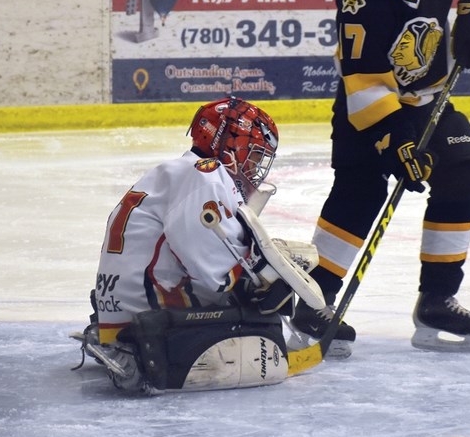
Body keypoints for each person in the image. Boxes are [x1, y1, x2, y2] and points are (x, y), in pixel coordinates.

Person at [293, 0, 470, 353]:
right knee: (360, 191)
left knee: (463, 172)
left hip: (428, 99)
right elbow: (363, 82)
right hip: (368, 105)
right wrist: (396, 141)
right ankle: (312, 302)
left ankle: (437, 299)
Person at [75, 96, 333, 394]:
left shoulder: (183, 171)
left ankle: (116, 336)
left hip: (123, 308)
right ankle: (135, 349)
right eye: (253, 156)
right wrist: (260, 283)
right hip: (147, 316)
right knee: (261, 322)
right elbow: (215, 271)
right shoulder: (205, 176)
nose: (255, 168)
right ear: (229, 142)